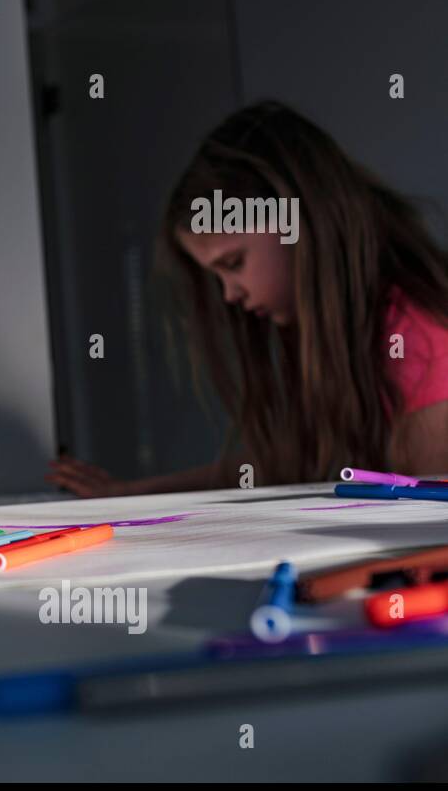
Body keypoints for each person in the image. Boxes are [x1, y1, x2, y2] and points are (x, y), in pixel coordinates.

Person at [48, 101, 448, 498]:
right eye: (216, 275)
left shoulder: (416, 334)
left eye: (234, 262)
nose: (229, 294)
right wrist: (134, 492)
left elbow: (428, 523)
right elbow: (283, 461)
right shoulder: (347, 333)